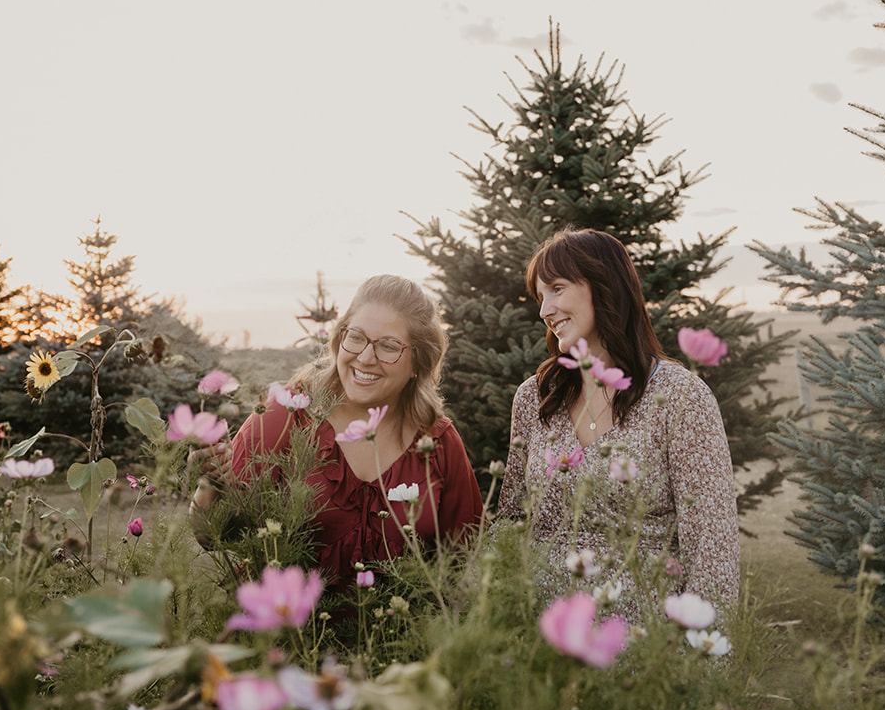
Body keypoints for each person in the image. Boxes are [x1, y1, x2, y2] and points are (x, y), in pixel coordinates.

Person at [494, 229, 741, 618]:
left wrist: (695, 666)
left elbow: (713, 554)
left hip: (644, 647)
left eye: (557, 289)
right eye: (541, 297)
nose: (544, 311)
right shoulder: (536, 396)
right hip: (538, 641)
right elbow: (510, 522)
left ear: (604, 287)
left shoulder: (680, 398)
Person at [194, 274, 483, 586]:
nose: (365, 358)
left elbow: (459, 562)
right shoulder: (286, 415)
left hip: (403, 631)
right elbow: (214, 537)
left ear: (419, 361)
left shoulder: (438, 441)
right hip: (289, 630)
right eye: (356, 337)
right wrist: (209, 485)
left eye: (388, 346)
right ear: (339, 337)